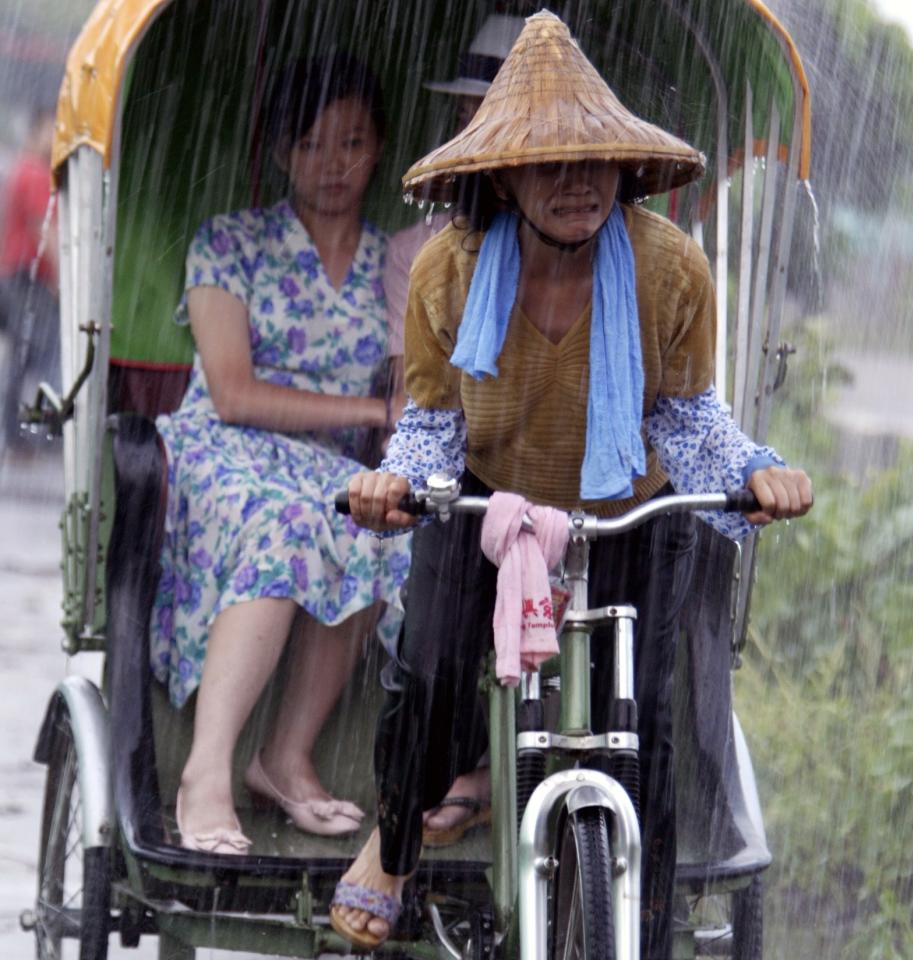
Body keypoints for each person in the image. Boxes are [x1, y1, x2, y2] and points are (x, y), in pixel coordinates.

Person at [330, 13, 813, 957]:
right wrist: (395, 482)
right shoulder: (450, 270)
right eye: (549, 164)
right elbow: (434, 422)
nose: (576, 183)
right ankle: (391, 848)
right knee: (426, 674)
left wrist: (756, 468)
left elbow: (685, 414)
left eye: (594, 162)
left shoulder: (672, 268)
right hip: (487, 495)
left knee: (651, 725)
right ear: (502, 175)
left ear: (624, 169)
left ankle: (649, 919)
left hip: (632, 510)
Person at [149, 53, 410, 855]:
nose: (331, 166)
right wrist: (372, 407)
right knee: (283, 521)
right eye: (309, 145)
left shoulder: (395, 263)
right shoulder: (229, 243)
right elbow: (232, 391)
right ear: (278, 151)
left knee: (382, 521)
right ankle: (205, 770)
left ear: (379, 148)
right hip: (223, 450)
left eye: (352, 142)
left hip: (330, 463)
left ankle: (287, 755)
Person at [384, 11, 524, 851]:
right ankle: (402, 817)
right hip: (449, 456)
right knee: (433, 609)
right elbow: (421, 398)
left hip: (562, 469)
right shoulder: (432, 250)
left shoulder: (614, 244)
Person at [0, 105, 59, 450]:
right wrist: (61, 279)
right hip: (27, 275)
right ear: (37, 130)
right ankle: (37, 432)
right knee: (42, 351)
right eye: (52, 129)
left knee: (23, 354)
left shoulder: (22, 169)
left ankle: (16, 431)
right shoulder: (35, 172)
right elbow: (42, 228)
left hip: (16, 273)